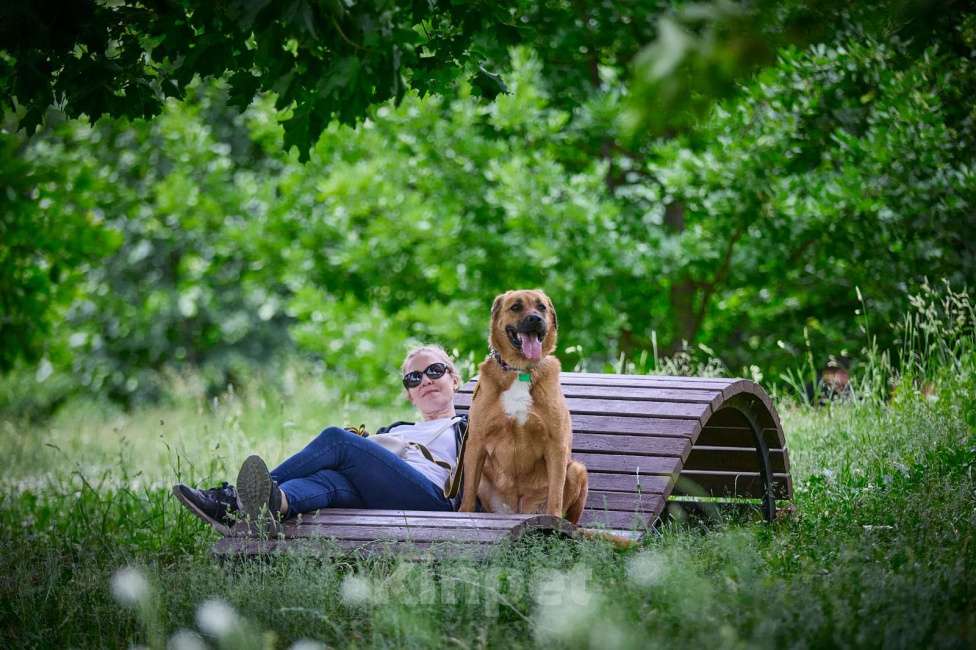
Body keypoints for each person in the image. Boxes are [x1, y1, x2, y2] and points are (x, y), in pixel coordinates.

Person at [173, 345, 468, 533]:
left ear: (454, 379)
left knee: (337, 440)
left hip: (429, 499)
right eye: (414, 378)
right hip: (380, 496)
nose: (425, 380)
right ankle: (273, 504)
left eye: (435, 371)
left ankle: (230, 501)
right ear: (409, 394)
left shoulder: (469, 427)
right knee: (328, 479)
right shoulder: (398, 430)